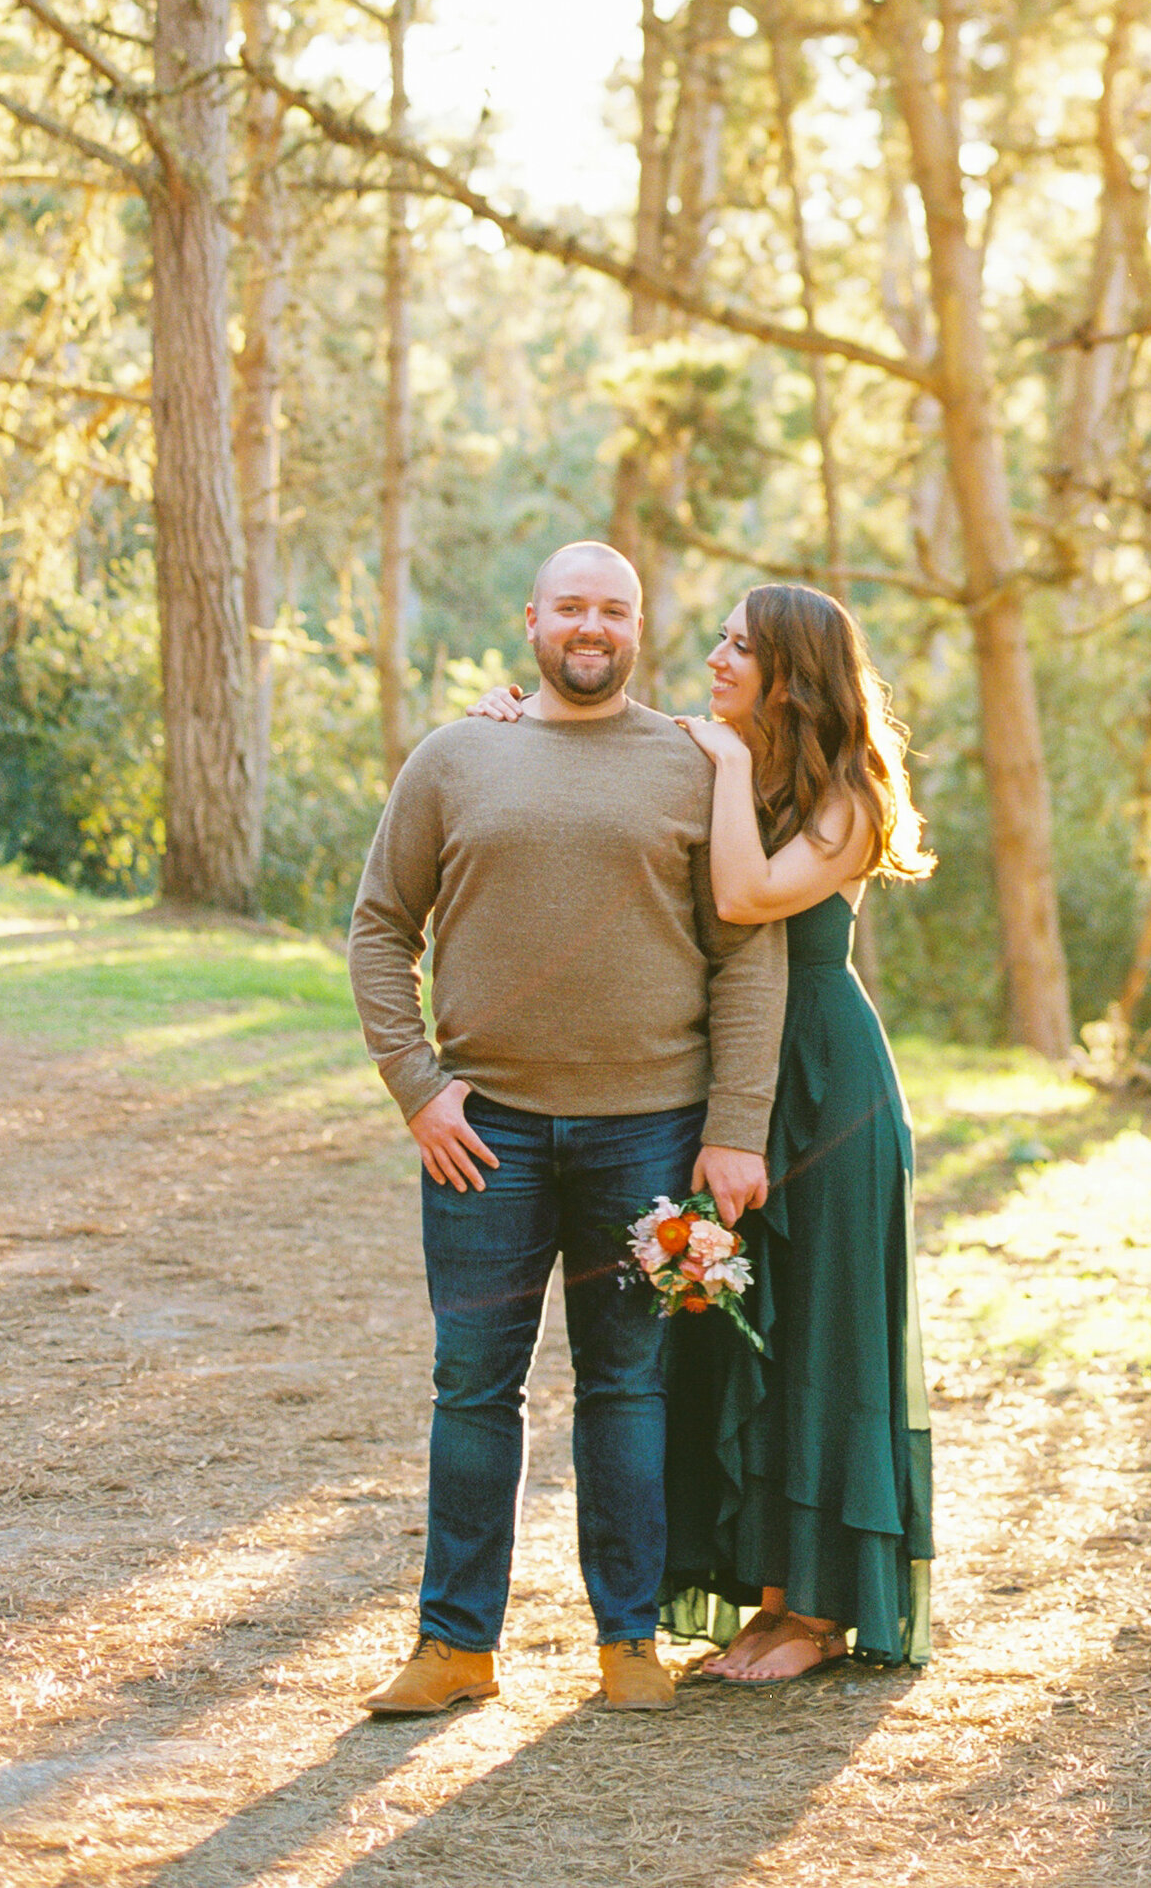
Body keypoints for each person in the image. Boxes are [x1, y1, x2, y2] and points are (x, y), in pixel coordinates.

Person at [347, 540, 785, 1721]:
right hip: (480, 1136)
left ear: (638, 626)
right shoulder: (456, 754)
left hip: (648, 1134)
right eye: (572, 606)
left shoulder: (694, 761)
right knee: (472, 1388)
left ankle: (626, 1640)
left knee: (627, 1389)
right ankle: (453, 1648)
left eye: (615, 609)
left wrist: (733, 1124)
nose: (592, 626)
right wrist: (417, 1087)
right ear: (531, 616)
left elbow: (750, 952)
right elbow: (379, 928)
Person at [471, 578, 935, 1683]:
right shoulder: (721, 755)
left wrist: (724, 762)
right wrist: (507, 727)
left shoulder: (847, 797)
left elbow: (741, 892)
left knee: (820, 1329)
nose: (715, 659)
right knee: (730, 1325)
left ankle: (821, 1612)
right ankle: (767, 1595)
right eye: (720, 641)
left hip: (825, 1079)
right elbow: (593, 779)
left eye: (739, 647)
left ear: (790, 672)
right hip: (727, 1069)